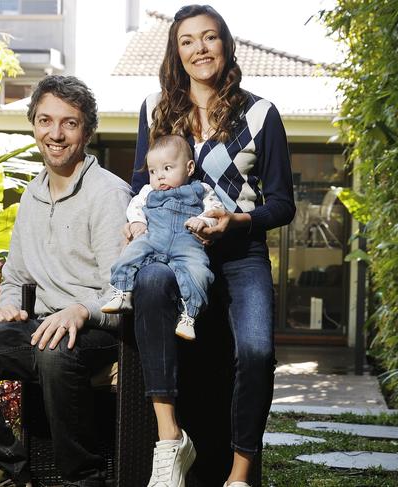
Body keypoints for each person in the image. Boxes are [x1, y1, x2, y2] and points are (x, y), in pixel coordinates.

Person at [0, 75, 132, 487]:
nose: (55, 134)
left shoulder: (108, 194)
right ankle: (8, 466)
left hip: (101, 328)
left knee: (55, 349)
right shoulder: (30, 198)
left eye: (69, 123)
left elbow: (124, 293)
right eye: (45, 120)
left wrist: (79, 311)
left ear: (87, 131)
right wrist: (8, 304)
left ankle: (83, 478)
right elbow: (15, 276)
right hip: (41, 327)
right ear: (34, 125)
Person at [127, 5, 296, 487]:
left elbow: (283, 204)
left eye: (209, 38)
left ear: (226, 44)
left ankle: (239, 475)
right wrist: (136, 224)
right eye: (187, 41)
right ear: (175, 52)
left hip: (240, 255)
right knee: (151, 283)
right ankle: (169, 441)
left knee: (259, 351)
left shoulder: (260, 113)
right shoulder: (155, 108)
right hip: (171, 249)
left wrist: (237, 220)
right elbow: (144, 183)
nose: (199, 49)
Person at [101, 134, 223, 340]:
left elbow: (216, 212)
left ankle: (188, 316)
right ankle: (121, 291)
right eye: (152, 171)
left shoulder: (201, 189)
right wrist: (138, 222)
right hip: (155, 237)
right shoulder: (148, 191)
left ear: (189, 167)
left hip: (188, 243)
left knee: (199, 272)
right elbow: (135, 206)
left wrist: (203, 221)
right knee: (131, 252)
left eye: (167, 168)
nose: (159, 176)